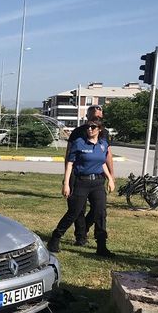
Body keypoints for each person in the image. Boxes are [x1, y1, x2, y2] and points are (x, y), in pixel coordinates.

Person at [48, 118, 116, 257]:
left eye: (93, 127)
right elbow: (70, 164)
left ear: (100, 129)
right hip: (81, 182)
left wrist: (110, 179)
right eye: (88, 127)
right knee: (74, 212)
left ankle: (101, 246)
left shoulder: (103, 144)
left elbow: (102, 163)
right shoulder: (79, 144)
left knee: (100, 212)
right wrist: (66, 183)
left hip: (97, 183)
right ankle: (55, 238)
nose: (89, 129)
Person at [66, 105, 114, 246]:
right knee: (78, 209)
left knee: (99, 209)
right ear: (87, 116)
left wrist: (111, 176)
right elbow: (69, 157)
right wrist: (67, 180)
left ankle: (86, 229)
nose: (92, 127)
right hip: (78, 175)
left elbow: (107, 156)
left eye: (98, 117)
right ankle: (80, 237)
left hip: (97, 177)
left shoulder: (103, 133)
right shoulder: (77, 132)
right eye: (93, 117)